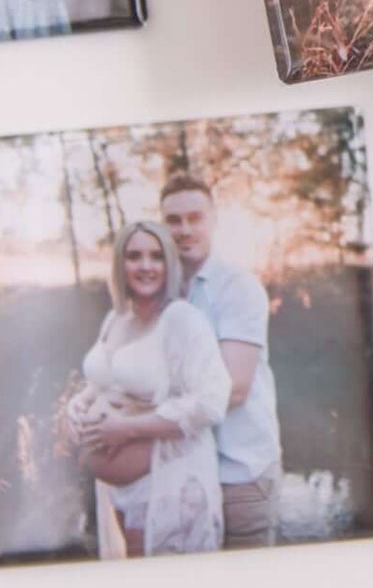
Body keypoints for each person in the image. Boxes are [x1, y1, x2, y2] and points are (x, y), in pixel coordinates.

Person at [68, 220, 229, 559]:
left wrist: (125, 429)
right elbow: (102, 381)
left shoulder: (182, 319)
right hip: (115, 490)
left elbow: (212, 401)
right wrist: (77, 407)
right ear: (119, 264)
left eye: (156, 257)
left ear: (169, 264)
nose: (145, 266)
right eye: (134, 256)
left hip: (164, 484)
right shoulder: (116, 318)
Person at [159, 174, 284, 550]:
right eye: (173, 220)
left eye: (195, 218)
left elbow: (235, 388)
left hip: (239, 470)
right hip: (184, 471)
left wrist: (135, 422)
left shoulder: (237, 288)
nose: (184, 230)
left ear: (213, 220)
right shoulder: (160, 291)